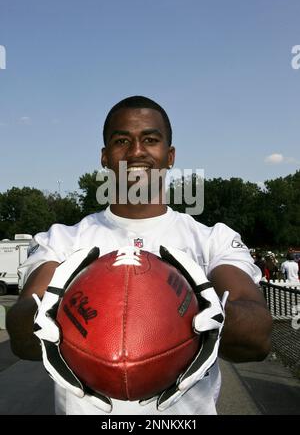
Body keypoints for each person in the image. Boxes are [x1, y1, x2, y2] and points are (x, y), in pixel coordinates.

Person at [6, 95, 273, 415]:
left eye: (150, 139)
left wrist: (209, 310)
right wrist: (44, 315)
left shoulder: (212, 239)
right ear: (105, 157)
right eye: (122, 141)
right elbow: (23, 332)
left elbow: (257, 338)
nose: (136, 152)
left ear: (169, 155)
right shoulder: (63, 239)